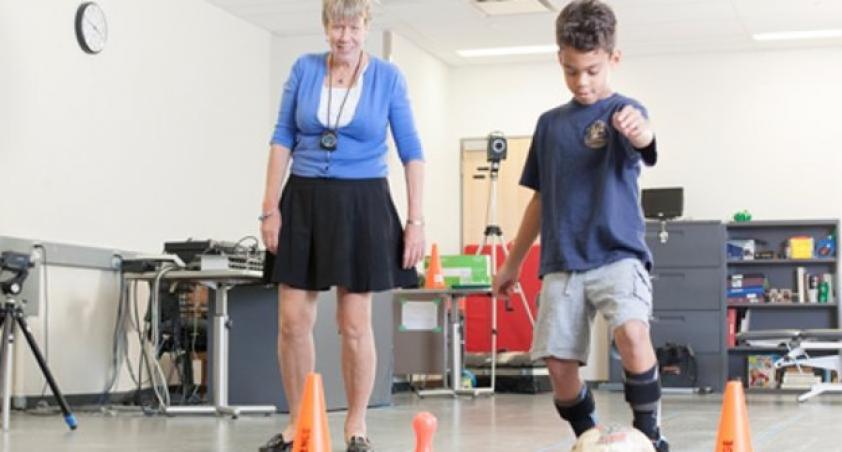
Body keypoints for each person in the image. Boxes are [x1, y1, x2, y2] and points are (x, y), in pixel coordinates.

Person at [492, 1, 668, 451]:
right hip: (562, 260)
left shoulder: (625, 111)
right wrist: (511, 264)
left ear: (613, 58)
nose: (582, 82)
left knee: (632, 332)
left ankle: (650, 436)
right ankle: (588, 437)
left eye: (592, 70)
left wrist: (640, 132)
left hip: (617, 253)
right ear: (560, 59)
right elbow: (539, 198)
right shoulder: (549, 125)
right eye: (572, 71)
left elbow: (645, 142)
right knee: (558, 366)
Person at [258, 0, 425, 450]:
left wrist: (415, 221)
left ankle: (356, 424)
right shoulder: (304, 68)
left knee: (353, 323)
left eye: (353, 26)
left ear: (367, 26)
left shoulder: (388, 78)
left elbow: (411, 151)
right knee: (292, 320)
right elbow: (281, 138)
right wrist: (269, 208)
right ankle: (299, 422)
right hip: (304, 198)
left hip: (362, 201)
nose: (344, 36)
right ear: (326, 27)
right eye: (336, 26)